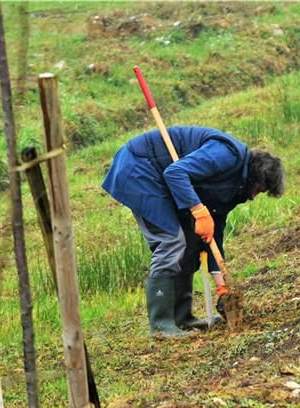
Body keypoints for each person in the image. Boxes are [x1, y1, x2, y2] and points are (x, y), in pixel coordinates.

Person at [102, 126, 284, 337]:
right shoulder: (227, 155)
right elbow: (175, 172)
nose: (254, 196)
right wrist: (198, 209)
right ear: (256, 176)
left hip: (160, 177)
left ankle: (183, 318)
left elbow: (214, 236)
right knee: (171, 240)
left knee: (189, 242)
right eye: (260, 190)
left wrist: (223, 288)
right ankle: (161, 325)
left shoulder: (235, 188)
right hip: (139, 167)